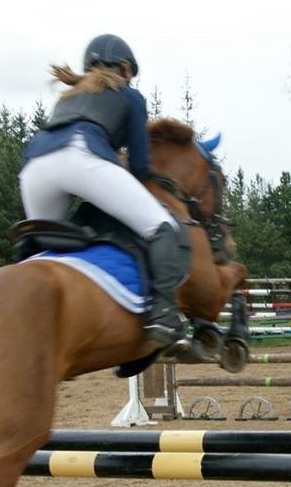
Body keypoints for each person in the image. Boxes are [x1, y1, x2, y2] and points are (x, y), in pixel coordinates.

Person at [19, 34, 189, 351]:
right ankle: (164, 314)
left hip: (34, 166)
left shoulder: (68, 96)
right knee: (162, 228)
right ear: (125, 68)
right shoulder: (130, 96)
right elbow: (139, 166)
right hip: (80, 158)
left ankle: (26, 316)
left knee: (44, 250)